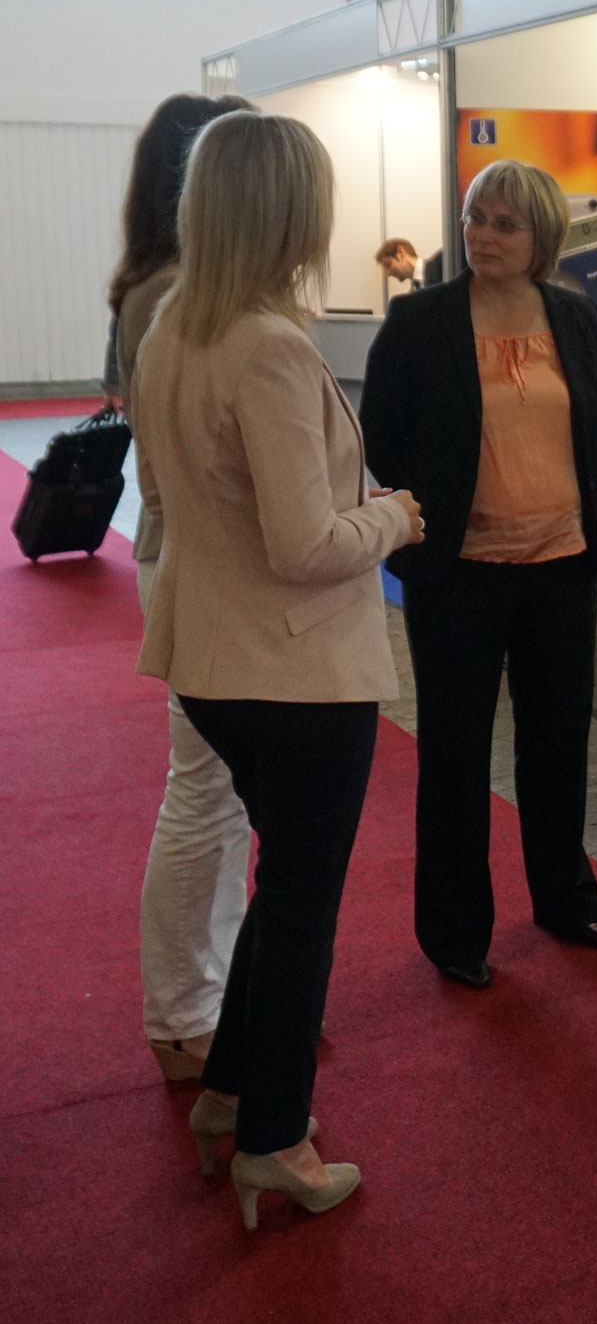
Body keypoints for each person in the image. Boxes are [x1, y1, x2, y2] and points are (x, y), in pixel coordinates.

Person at [131, 110, 424, 1226]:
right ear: (291, 212)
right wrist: (394, 515)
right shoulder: (267, 347)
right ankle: (277, 1140)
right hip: (294, 671)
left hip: (214, 658)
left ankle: (232, 1093)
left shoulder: (173, 329)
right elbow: (305, 546)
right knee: (302, 905)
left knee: (284, 889)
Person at [362, 160, 597, 989]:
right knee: (455, 756)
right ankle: (455, 932)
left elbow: (587, 433)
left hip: (560, 567)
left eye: (506, 223)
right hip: (458, 575)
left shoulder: (575, 319)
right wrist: (429, 516)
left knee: (558, 745)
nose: (484, 235)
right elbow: (380, 437)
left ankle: (566, 901)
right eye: (477, 217)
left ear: (542, 235)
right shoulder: (421, 320)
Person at [109, 91, 257, 1082]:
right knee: (205, 790)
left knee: (223, 793)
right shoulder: (175, 295)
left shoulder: (159, 288)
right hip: (198, 560)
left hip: (191, 556)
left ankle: (220, 996)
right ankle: (181, 1011)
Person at [375, 237, 442, 292]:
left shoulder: (442, 261)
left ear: (401, 252)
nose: (388, 274)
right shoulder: (412, 295)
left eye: (388, 265)